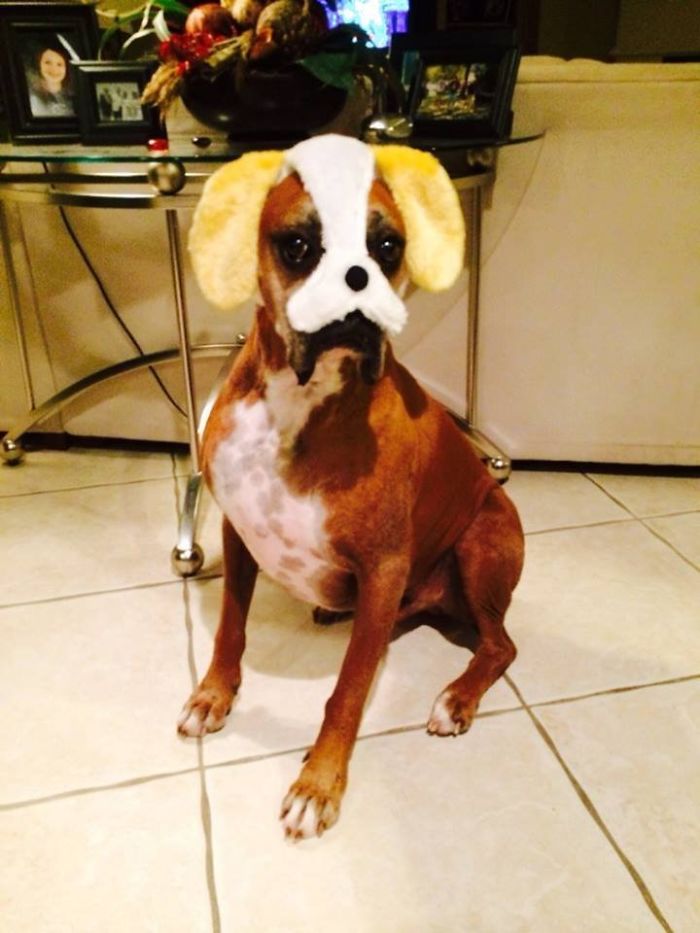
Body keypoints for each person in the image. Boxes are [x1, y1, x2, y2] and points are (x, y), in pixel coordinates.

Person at [27, 43, 75, 118]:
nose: (54, 69)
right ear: (39, 64)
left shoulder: (75, 98)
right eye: (47, 62)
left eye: (59, 64)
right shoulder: (32, 98)